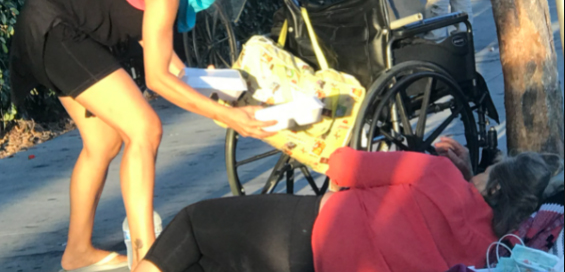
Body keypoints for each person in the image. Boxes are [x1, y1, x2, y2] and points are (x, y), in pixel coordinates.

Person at [9, 0, 276, 271]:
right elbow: (158, 79)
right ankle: (147, 258)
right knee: (144, 128)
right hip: (55, 29)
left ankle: (78, 252)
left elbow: (172, 66)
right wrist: (229, 117)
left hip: (75, 32)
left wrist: (223, 87)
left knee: (104, 142)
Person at [133, 138, 561, 272]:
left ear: (497, 187)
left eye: (493, 169)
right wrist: (468, 173)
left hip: (313, 236)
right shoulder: (496, 253)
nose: (486, 169)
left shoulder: (437, 173)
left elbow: (343, 166)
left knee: (193, 226)